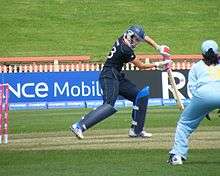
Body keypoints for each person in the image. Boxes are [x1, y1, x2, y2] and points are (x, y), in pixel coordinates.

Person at [70, 25, 171, 139]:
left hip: (117, 75)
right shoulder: (125, 49)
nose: (137, 43)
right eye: (136, 39)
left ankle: (136, 130)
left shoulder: (124, 38)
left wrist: (158, 47)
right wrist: (157, 65)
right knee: (108, 106)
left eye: (138, 40)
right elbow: (141, 66)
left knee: (140, 96)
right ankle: (79, 126)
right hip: (108, 76)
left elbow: (145, 36)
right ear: (129, 36)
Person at [168, 40, 220, 165]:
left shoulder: (197, 66)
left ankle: (177, 156)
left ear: (202, 54)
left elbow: (192, 89)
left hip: (203, 95)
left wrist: (202, 107)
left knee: (184, 124)